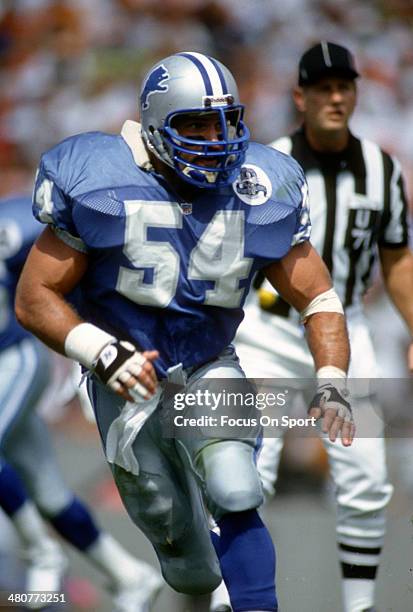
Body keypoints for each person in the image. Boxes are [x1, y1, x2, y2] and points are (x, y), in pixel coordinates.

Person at [14, 51, 354, 612]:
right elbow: (35, 297)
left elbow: (317, 296)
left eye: (227, 121)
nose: (216, 138)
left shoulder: (260, 185)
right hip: (123, 377)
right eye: (195, 123)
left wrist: (334, 376)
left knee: (236, 485)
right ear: (154, 125)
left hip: (207, 360)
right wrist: (101, 351)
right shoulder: (98, 177)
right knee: (189, 570)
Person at [210, 41, 413, 612]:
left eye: (344, 86)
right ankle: (229, 598)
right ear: (300, 96)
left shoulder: (382, 168)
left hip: (345, 331)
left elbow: (397, 257)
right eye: (322, 87)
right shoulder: (263, 163)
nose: (335, 96)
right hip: (268, 334)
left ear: (356, 93)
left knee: (368, 479)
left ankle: (359, 605)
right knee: (249, 471)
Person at [0, 195, 163, 611]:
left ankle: (41, 553)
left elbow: (64, 279)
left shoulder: (13, 226)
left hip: (11, 358)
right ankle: (127, 573)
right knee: (49, 492)